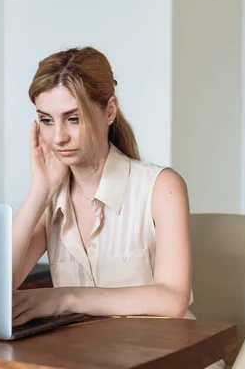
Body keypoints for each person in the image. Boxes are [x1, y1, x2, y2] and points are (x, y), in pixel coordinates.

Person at [11, 46, 194, 324]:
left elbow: (173, 299)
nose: (58, 137)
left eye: (73, 118)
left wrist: (64, 298)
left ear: (109, 111)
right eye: (46, 120)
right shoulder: (50, 198)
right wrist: (39, 190)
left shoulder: (162, 187)